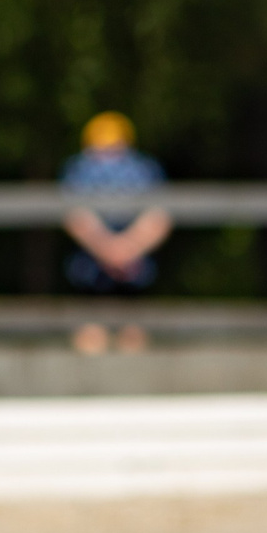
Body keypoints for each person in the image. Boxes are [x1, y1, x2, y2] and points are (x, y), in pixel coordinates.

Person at [61, 111, 171, 355]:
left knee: (110, 336)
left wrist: (115, 249)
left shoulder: (79, 169)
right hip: (111, 267)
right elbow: (158, 217)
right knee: (115, 336)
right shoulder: (145, 168)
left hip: (104, 266)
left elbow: (75, 216)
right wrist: (122, 249)